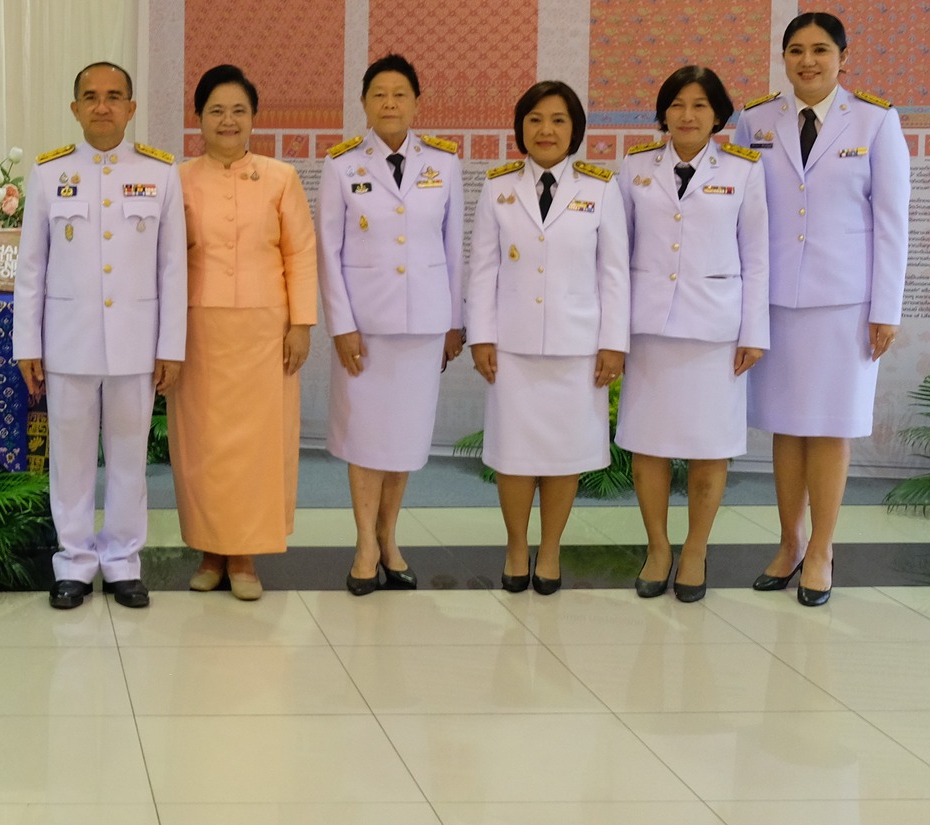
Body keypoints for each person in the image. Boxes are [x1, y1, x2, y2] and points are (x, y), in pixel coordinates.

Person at [735, 13, 908, 607]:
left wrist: (885, 308)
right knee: (786, 426)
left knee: (831, 428)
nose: (807, 61)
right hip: (776, 300)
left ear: (842, 56)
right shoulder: (754, 121)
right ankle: (789, 543)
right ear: (783, 58)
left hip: (846, 305)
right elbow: (737, 217)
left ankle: (822, 550)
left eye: (820, 50)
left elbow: (891, 224)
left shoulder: (876, 120)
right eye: (795, 50)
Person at [16, 60, 187, 610]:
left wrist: (171, 346)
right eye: (90, 96)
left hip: (137, 342)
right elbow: (30, 268)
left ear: (131, 109)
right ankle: (72, 561)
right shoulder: (48, 174)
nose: (102, 106)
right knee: (69, 455)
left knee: (129, 456)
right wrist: (28, 344)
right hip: (68, 340)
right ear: (75, 109)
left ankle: (121, 562)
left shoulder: (161, 173)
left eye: (114, 96)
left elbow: (172, 270)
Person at [466, 80, 627, 595]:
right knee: (514, 454)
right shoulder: (498, 187)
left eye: (558, 120)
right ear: (521, 129)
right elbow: (482, 269)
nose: (546, 130)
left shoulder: (601, 189)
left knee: (564, 455)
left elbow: (615, 274)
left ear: (575, 129)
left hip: (578, 348)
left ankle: (551, 550)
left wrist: (613, 343)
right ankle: (517, 547)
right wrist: (481, 336)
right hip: (510, 347)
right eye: (535, 119)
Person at [616, 66, 768, 603]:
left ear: (719, 116)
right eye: (677, 104)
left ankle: (696, 549)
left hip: (716, 332)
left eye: (700, 105)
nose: (687, 115)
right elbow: (617, 255)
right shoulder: (634, 168)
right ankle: (658, 548)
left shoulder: (744, 171)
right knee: (648, 445)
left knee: (710, 448)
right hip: (649, 328)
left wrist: (754, 330)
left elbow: (757, 256)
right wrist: (616, 331)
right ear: (663, 113)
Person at [318, 53, 463, 595]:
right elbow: (328, 253)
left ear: (417, 102)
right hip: (367, 327)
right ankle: (364, 544)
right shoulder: (342, 165)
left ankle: (390, 536)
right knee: (365, 437)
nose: (390, 103)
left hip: (424, 326)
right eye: (379, 94)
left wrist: (454, 322)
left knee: (403, 439)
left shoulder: (444, 164)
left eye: (400, 93)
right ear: (363, 103)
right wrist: (341, 325)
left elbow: (453, 248)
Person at [168, 64, 313, 601]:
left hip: (264, 332)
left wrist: (301, 323)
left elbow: (300, 253)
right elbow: (164, 259)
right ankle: (210, 551)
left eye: (238, 110)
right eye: (216, 111)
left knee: (257, 445)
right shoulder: (177, 179)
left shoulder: (281, 178)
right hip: (197, 329)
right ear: (198, 118)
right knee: (202, 444)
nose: (228, 121)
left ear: (254, 117)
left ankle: (247, 556)